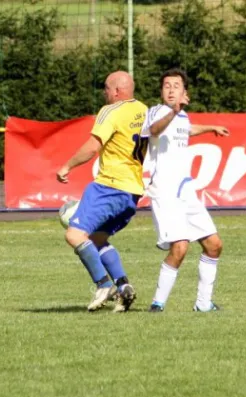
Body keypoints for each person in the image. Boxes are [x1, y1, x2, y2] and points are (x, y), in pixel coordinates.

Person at [57, 71, 148, 313]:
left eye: (106, 88)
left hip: (110, 186)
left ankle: (103, 285)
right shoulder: (143, 110)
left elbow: (92, 148)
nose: (104, 93)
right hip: (132, 194)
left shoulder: (111, 110)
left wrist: (67, 166)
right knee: (97, 239)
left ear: (117, 91)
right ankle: (123, 285)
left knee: (74, 235)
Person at [141, 68, 229, 312]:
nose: (170, 90)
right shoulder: (158, 112)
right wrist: (175, 110)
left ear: (184, 91)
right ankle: (157, 305)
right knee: (179, 248)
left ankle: (203, 304)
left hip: (185, 191)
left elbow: (186, 128)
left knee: (214, 244)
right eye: (166, 86)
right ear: (161, 91)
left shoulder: (182, 116)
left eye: (176, 86)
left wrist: (211, 127)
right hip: (165, 192)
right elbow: (156, 130)